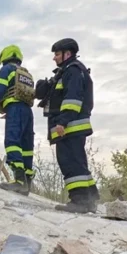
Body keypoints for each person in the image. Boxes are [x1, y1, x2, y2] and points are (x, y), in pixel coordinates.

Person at [36, 38, 98, 213]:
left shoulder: (73, 71)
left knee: (70, 163)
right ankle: (90, 198)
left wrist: (62, 122)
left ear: (67, 54)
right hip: (72, 126)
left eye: (56, 54)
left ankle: (79, 201)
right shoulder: (69, 72)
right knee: (78, 162)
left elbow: (72, 99)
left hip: (70, 126)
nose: (54, 58)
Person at [0, 45, 36, 194]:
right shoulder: (26, 74)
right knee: (26, 147)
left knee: (12, 142)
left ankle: (18, 180)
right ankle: (26, 182)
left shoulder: (7, 69)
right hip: (27, 111)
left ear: (4, 57)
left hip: (15, 109)